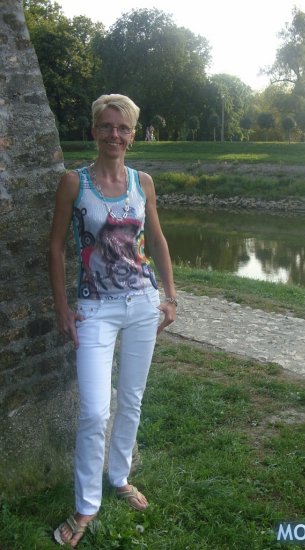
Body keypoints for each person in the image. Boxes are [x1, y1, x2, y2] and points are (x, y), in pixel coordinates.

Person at [49, 94, 177, 547]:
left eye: (122, 128)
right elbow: (56, 248)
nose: (114, 135)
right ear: (94, 131)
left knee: (132, 398)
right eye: (106, 126)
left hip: (142, 302)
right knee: (93, 410)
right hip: (94, 309)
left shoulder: (143, 183)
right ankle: (86, 504)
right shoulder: (74, 183)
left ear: (132, 134)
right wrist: (62, 308)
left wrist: (170, 295)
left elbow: (156, 240)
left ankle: (119, 476)